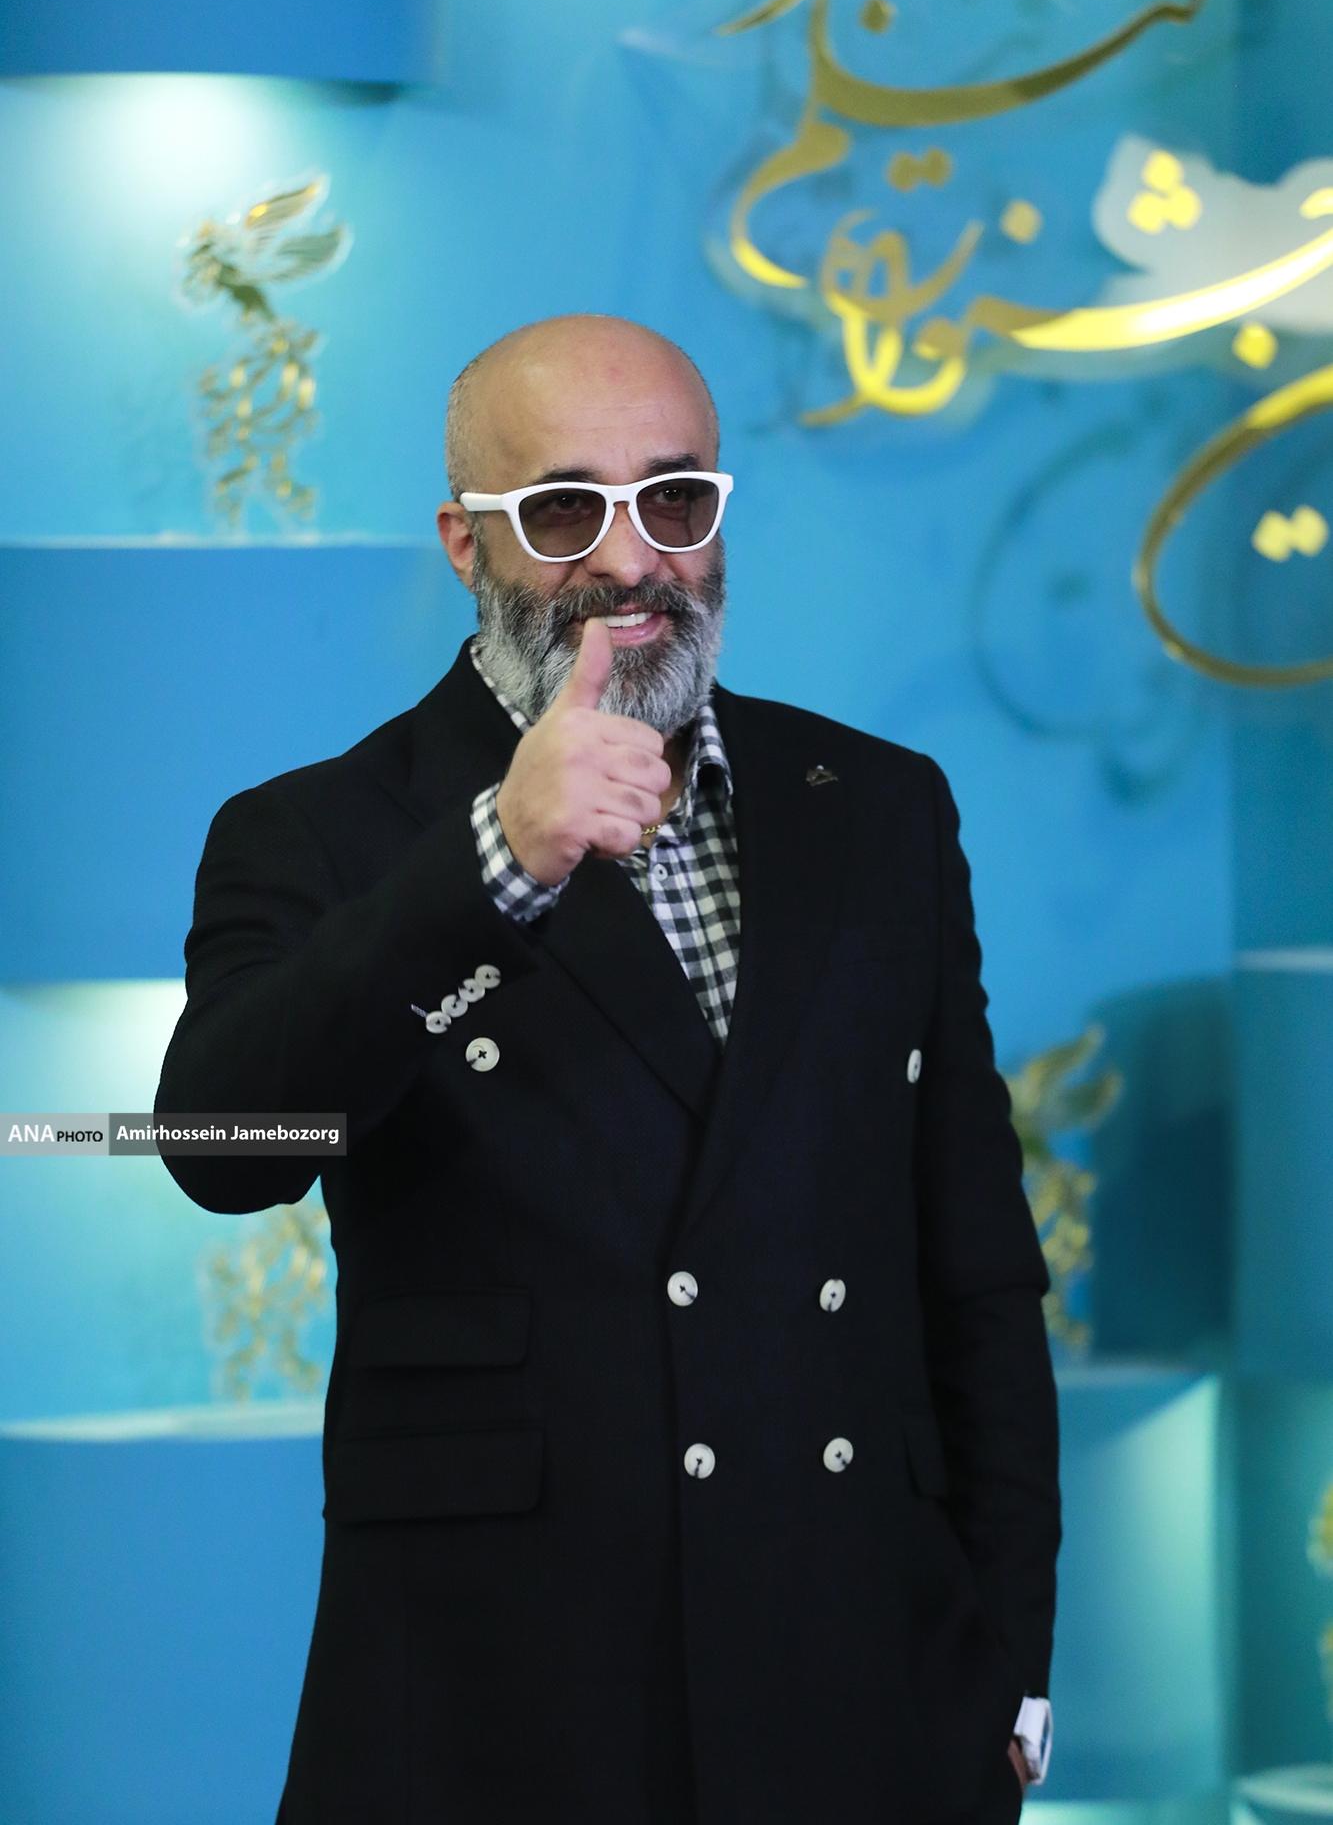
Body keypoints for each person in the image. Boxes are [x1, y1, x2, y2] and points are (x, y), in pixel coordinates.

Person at [156, 313, 1060, 1825]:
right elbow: (221, 1147)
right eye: (568, 508)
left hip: (862, 1679)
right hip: (496, 1698)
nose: (633, 560)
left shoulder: (877, 805)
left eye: (676, 498)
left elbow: (974, 1266)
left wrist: (1008, 1670)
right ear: (466, 542)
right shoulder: (319, 831)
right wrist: (494, 864)